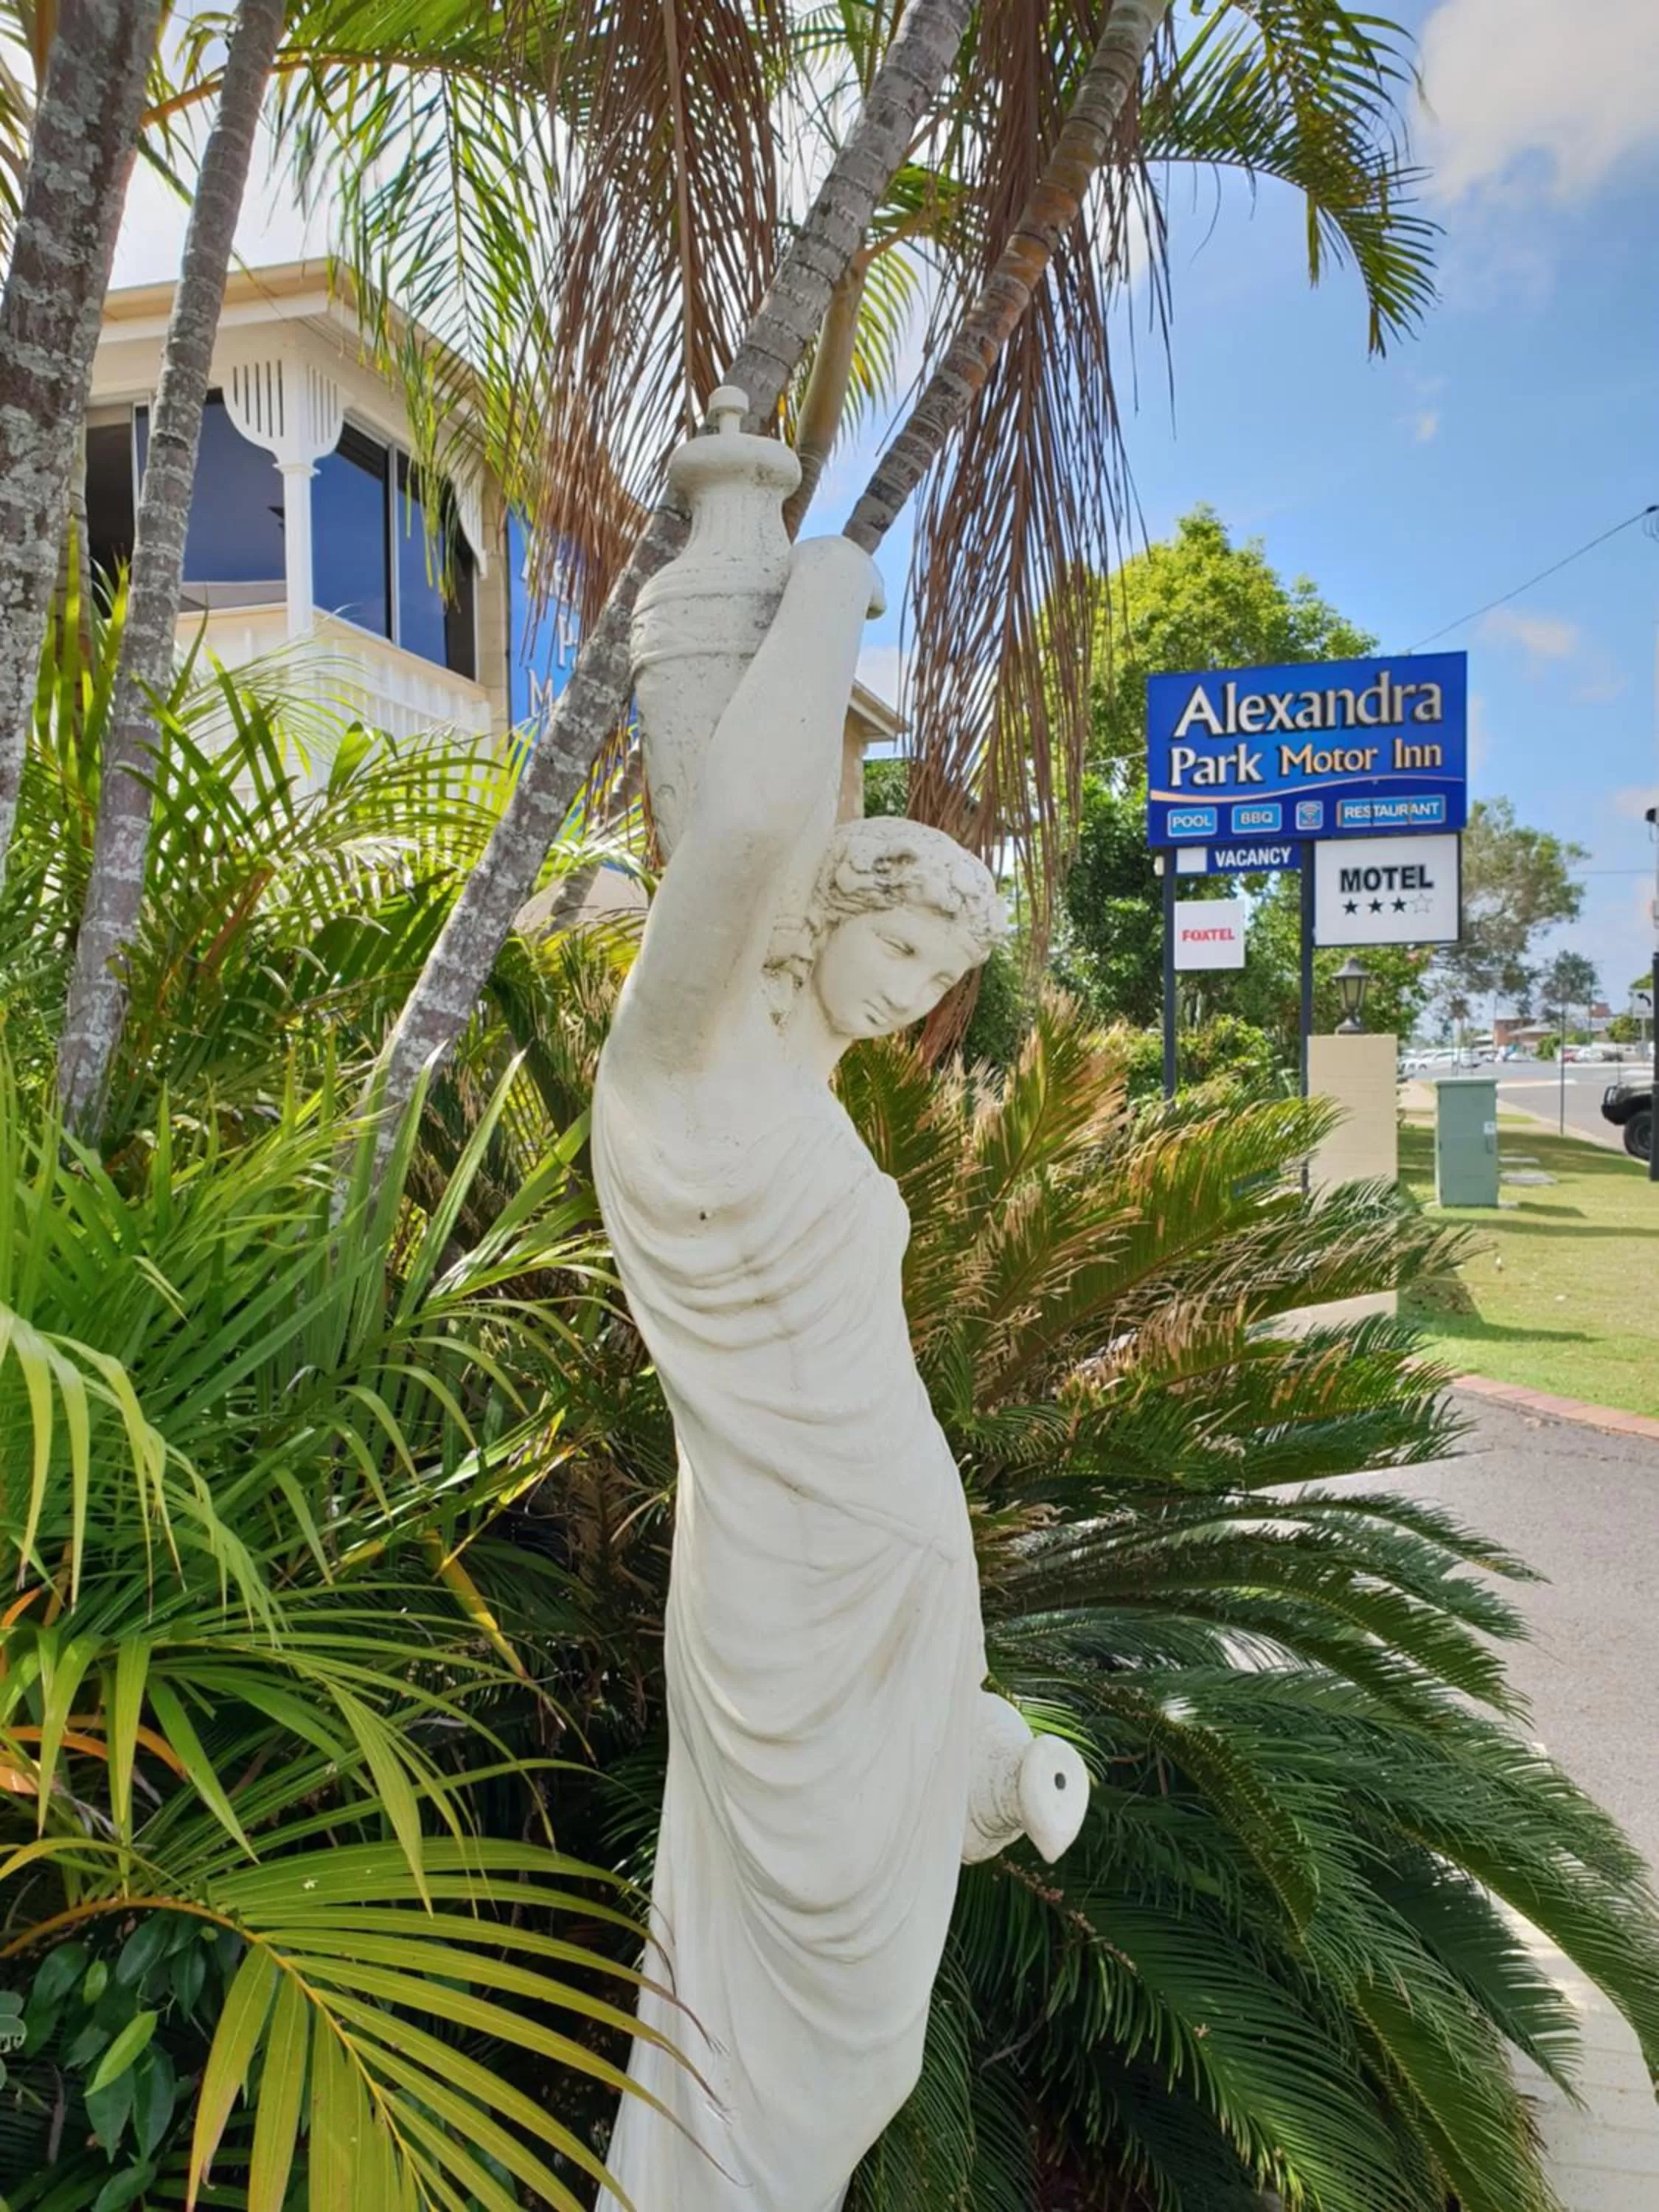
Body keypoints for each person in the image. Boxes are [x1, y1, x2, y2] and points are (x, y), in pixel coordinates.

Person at [593, 535, 1085, 2212]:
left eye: (950, 980)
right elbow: (738, 827)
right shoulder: (675, 1071)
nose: (925, 994)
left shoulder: (810, 1109)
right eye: (909, 948)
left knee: (864, 2046)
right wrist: (816, 576)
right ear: (827, 904)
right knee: (796, 2017)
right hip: (783, 1602)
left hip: (898, 1598)